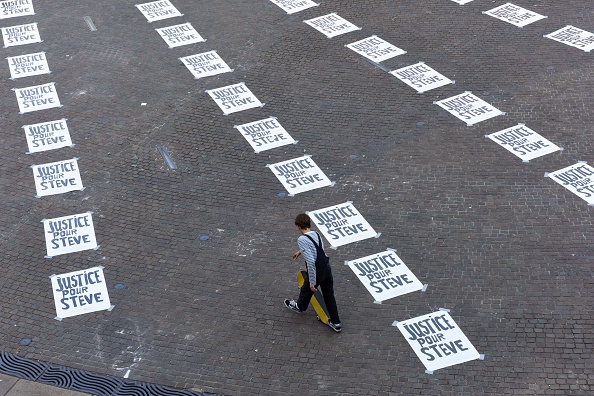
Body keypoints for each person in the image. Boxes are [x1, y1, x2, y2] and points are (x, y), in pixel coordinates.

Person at [284, 213, 342, 332]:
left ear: (299, 226)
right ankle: (336, 323)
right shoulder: (316, 234)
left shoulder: (301, 239)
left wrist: (312, 282)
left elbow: (310, 262)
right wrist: (300, 252)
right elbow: (316, 249)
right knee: (329, 295)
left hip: (317, 271)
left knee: (306, 289)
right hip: (326, 267)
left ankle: (300, 306)